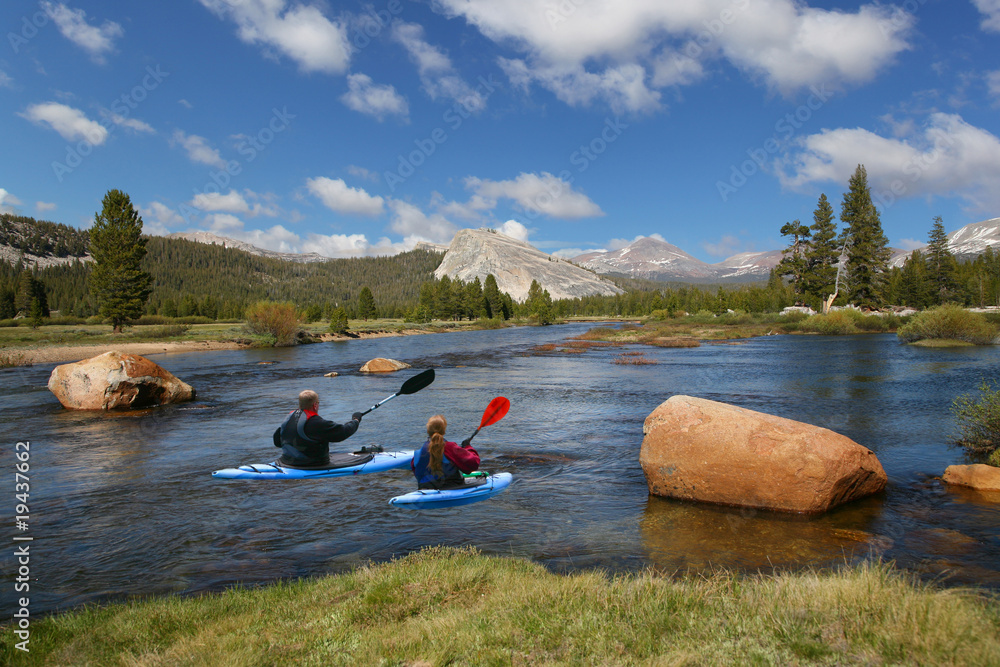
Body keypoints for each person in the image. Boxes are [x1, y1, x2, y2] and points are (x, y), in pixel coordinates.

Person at [273, 390, 364, 468]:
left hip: (286, 461)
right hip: (312, 464)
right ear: (315, 405)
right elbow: (342, 432)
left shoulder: (289, 417)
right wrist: (356, 420)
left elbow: (277, 441)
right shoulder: (316, 422)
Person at [411, 414, 480, 489]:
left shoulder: (419, 452)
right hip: (451, 487)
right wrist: (468, 447)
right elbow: (474, 463)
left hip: (425, 488)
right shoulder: (450, 447)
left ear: (428, 431)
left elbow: (416, 471)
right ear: (444, 431)